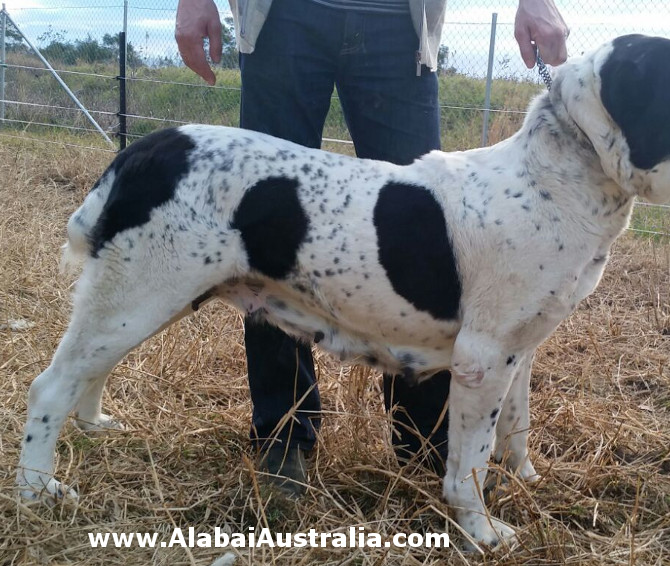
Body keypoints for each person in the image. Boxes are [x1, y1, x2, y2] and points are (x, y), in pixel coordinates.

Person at [175, 0, 568, 495]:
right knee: (268, 232)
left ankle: (425, 439)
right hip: (283, 17)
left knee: (422, 237)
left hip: (398, 22)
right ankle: (282, 433)